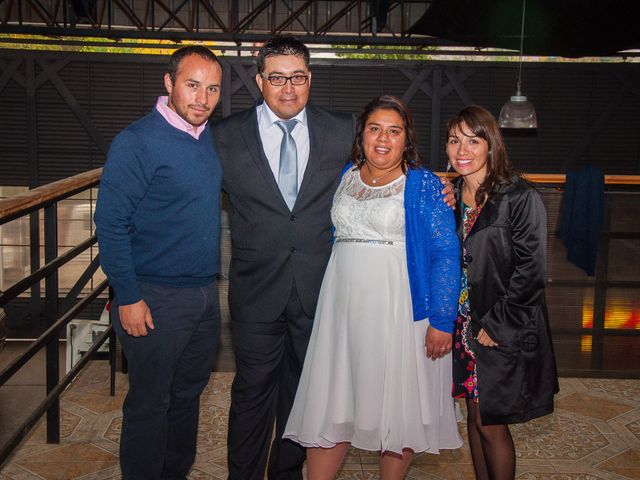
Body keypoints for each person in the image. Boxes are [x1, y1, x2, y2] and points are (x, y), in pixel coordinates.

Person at [211, 36, 455, 480]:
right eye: (278, 77)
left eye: (298, 77)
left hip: (321, 295)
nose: (289, 88)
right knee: (250, 394)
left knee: (307, 397)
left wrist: (441, 185)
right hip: (256, 291)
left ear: (310, 79)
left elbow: (390, 160)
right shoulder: (224, 136)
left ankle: (286, 475)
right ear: (260, 79)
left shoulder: (342, 129)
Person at [283, 95, 462, 479]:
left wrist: (443, 319)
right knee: (333, 400)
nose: (383, 138)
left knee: (395, 409)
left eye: (394, 131)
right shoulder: (344, 174)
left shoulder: (424, 185)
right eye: (375, 128)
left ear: (406, 138)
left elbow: (446, 252)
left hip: (398, 310)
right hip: (341, 309)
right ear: (361, 134)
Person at [94, 46, 223, 479]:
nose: (202, 98)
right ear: (169, 84)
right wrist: (127, 296)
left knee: (187, 397)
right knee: (152, 404)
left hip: (204, 296)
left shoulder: (206, 139)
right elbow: (110, 224)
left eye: (212, 89)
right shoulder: (137, 142)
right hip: (153, 297)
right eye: (192, 85)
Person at [447, 105, 558, 480]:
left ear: (491, 145)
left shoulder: (519, 197)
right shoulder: (450, 199)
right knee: (476, 418)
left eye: (473, 140)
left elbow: (531, 271)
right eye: (454, 139)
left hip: (497, 328)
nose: (462, 149)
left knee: (492, 423)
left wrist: (499, 325)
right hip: (462, 326)